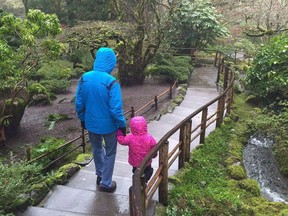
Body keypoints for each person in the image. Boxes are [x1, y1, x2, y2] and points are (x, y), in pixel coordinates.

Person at [75, 47, 126, 193]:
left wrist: (82, 118)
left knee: (97, 148)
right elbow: (115, 109)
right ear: (111, 62)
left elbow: (79, 102)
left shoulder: (84, 77)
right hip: (109, 126)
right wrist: (122, 125)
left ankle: (100, 175)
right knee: (110, 152)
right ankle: (106, 183)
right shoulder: (111, 82)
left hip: (90, 123)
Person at [116, 116, 157, 182]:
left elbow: (122, 141)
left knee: (136, 172)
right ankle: (144, 181)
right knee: (148, 171)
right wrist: (154, 155)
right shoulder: (150, 138)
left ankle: (138, 182)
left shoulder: (130, 137)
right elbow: (154, 148)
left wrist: (119, 132)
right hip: (146, 162)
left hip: (135, 163)